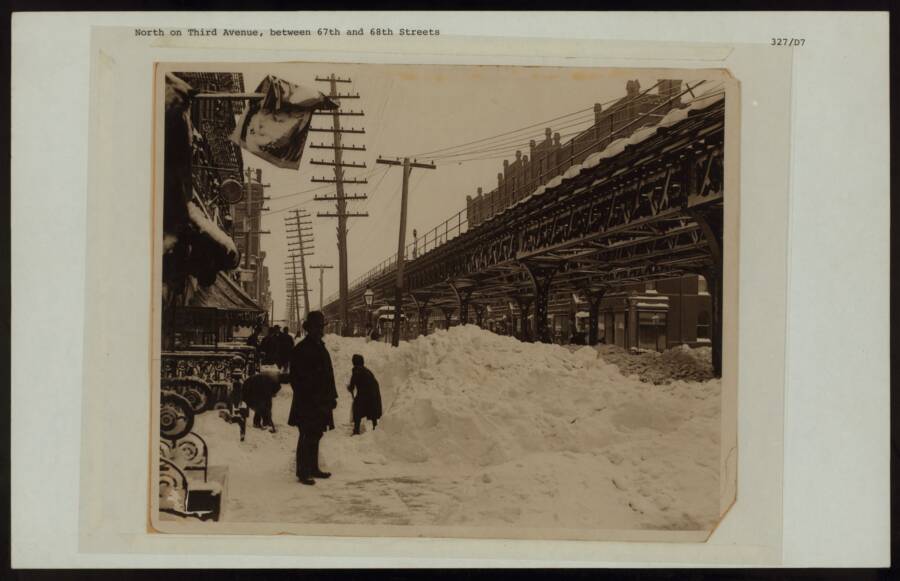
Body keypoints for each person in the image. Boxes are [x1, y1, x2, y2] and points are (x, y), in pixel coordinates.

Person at [288, 311, 338, 486]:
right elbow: (295, 378)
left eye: (321, 327)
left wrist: (332, 396)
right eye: (317, 327)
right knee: (306, 435)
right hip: (307, 402)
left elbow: (328, 374)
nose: (319, 330)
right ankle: (303, 472)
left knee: (316, 434)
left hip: (321, 401)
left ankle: (313, 468)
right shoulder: (301, 349)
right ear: (309, 329)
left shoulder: (320, 346)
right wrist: (309, 395)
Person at [347, 354, 382, 435]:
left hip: (364, 395)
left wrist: (349, 388)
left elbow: (352, 386)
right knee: (372, 410)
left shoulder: (356, 371)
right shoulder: (367, 370)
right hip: (373, 394)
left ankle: (356, 430)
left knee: (357, 409)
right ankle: (375, 426)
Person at [241, 368, 284, 432]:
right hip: (251, 388)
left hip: (253, 387)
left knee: (260, 406)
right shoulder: (273, 382)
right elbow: (267, 401)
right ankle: (265, 423)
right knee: (265, 406)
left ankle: (258, 423)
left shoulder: (271, 380)